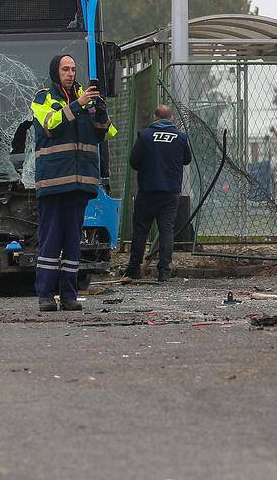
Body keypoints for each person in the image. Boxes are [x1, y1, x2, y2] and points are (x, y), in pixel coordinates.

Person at [29, 54, 117, 311]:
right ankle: (45, 295)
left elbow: (106, 133)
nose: (70, 73)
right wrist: (78, 104)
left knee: (72, 243)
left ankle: (69, 295)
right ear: (56, 72)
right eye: (65, 69)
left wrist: (100, 110)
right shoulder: (43, 98)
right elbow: (50, 124)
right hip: (54, 182)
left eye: (73, 69)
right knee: (50, 240)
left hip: (81, 183)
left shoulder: (87, 99)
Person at [125, 104, 192, 282]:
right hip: (170, 192)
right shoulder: (180, 137)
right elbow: (187, 159)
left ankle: (133, 269)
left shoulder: (145, 136)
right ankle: (164, 271)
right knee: (166, 230)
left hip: (147, 190)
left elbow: (133, 161)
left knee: (141, 230)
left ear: (155, 118)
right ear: (172, 119)